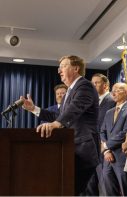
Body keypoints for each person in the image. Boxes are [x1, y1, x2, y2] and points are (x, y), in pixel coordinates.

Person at [21, 55, 100, 196]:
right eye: (59, 67)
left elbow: (75, 108)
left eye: (63, 66)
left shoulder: (85, 86)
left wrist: (55, 125)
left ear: (75, 68)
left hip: (84, 149)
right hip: (72, 149)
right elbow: (59, 116)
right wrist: (34, 109)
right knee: (66, 190)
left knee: (70, 191)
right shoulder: (68, 92)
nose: (59, 70)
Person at [100, 83, 127, 196]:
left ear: (125, 92)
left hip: (122, 157)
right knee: (109, 189)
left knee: (126, 190)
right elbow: (102, 132)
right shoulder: (109, 112)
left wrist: (106, 146)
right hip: (107, 158)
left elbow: (125, 133)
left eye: (117, 90)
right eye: (112, 90)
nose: (113, 93)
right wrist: (106, 151)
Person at [91, 73, 115, 195]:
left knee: (106, 187)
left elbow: (111, 128)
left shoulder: (111, 101)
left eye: (96, 83)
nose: (93, 85)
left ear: (105, 85)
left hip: (106, 150)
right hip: (95, 149)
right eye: (92, 83)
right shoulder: (93, 102)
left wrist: (107, 148)